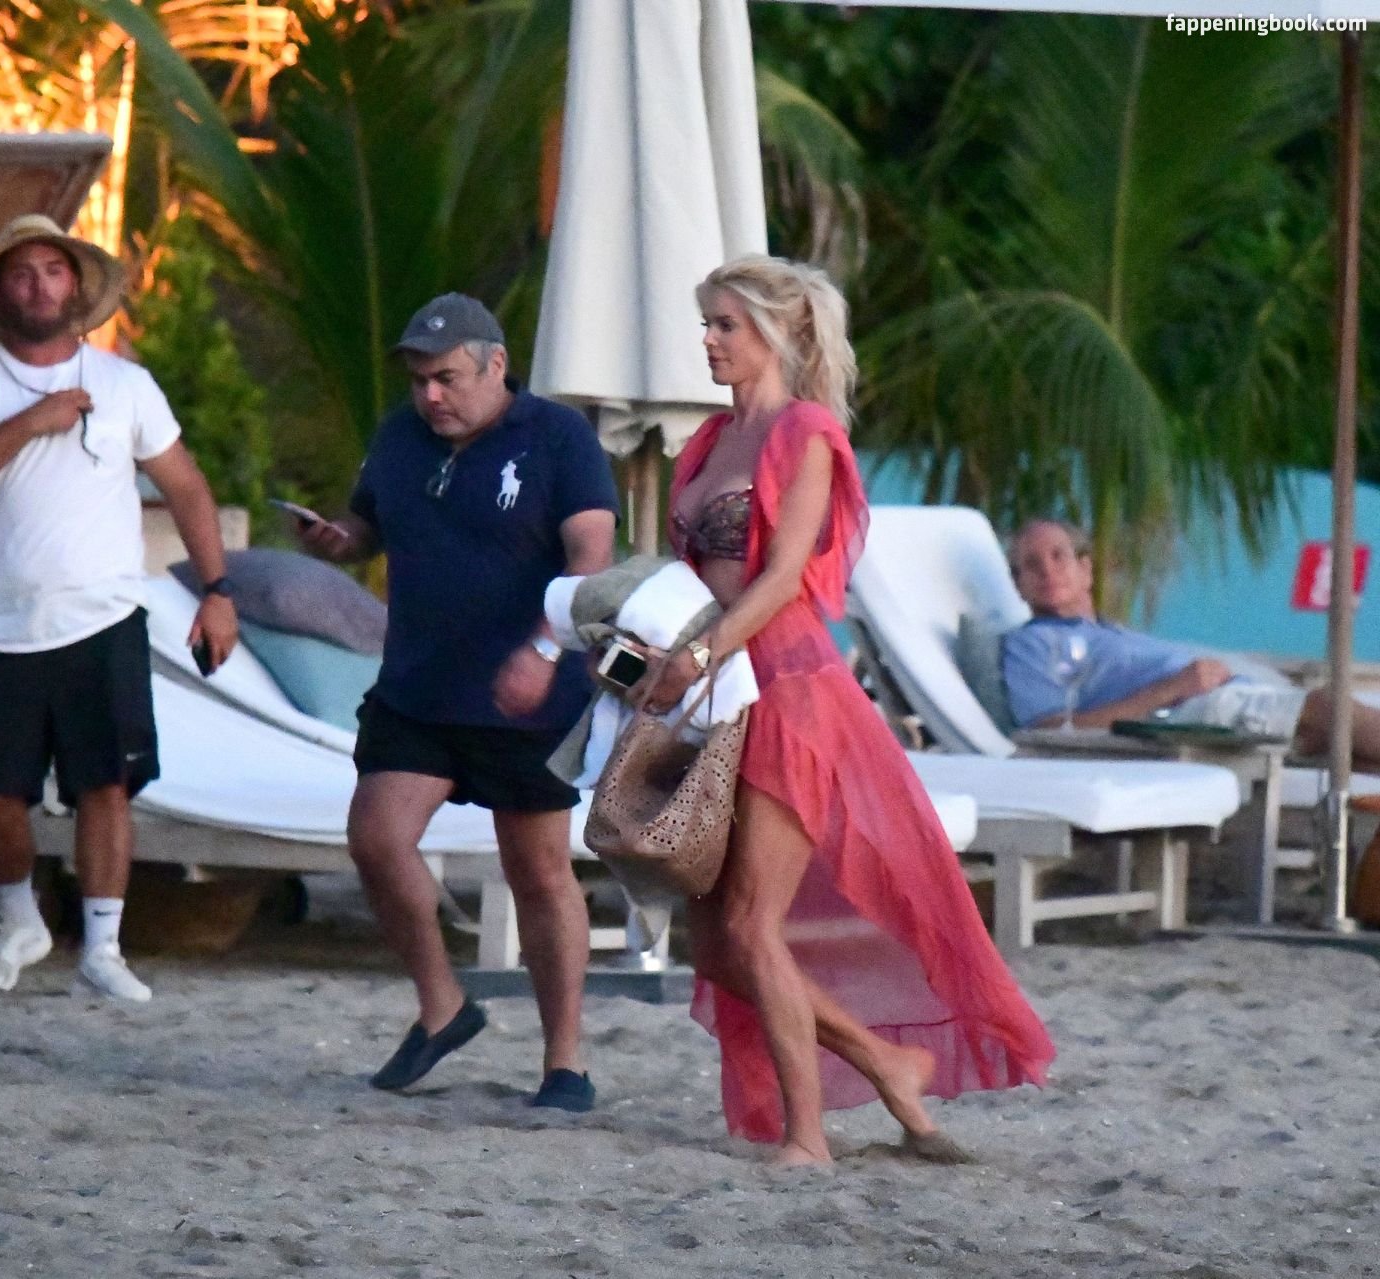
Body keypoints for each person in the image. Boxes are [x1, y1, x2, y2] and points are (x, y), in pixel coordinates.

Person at [625, 256, 1054, 1164]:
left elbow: (785, 576)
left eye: (725, 324)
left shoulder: (806, 432)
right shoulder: (707, 441)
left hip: (791, 693)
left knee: (752, 924)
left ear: (777, 333)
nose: (708, 340)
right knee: (718, 944)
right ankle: (886, 1061)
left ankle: (808, 1135)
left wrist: (697, 653)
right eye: (706, 323)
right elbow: (686, 576)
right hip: (718, 696)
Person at [296, 293, 618, 1113]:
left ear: (495, 364)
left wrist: (545, 648)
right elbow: (367, 526)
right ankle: (442, 1004)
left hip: (525, 689)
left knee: (537, 870)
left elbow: (591, 555)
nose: (430, 395)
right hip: (420, 683)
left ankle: (565, 1061)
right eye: (419, 381)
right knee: (376, 837)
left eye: (446, 378)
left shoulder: (557, 436)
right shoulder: (400, 436)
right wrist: (338, 539)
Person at [0, 215, 238, 1002]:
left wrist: (218, 591)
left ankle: (103, 946)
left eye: (53, 271)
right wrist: (35, 420)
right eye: (21, 273)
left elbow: (186, 485)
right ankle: (18, 920)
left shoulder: (125, 383)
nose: (38, 286)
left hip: (104, 616)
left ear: (77, 285)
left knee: (107, 782)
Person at [1003, 519, 1380, 766]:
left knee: (1344, 748)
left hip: (1217, 702)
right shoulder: (1030, 644)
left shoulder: (1112, 633)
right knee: (1331, 708)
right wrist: (1173, 688)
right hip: (1181, 718)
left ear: (1085, 570)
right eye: (1032, 564)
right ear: (1018, 585)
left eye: (1058, 556)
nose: (1047, 570)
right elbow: (1049, 730)